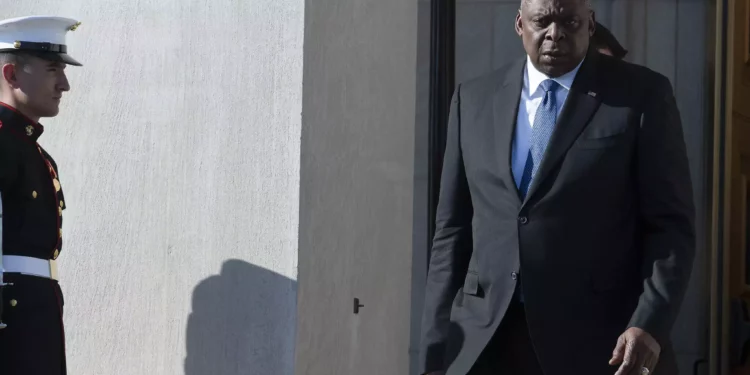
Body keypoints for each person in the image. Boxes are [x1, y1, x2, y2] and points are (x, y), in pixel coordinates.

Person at [418, 0, 695, 374]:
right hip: (485, 340)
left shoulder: (640, 95)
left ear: (591, 25)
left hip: (596, 341)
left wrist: (649, 321)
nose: (555, 33)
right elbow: (451, 234)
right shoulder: (473, 100)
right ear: (520, 24)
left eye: (569, 21)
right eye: (542, 21)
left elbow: (670, 226)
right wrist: (434, 350)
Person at [0, 15, 83, 375]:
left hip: (33, 315)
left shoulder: (30, 150)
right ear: (12, 75)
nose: (64, 84)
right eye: (53, 70)